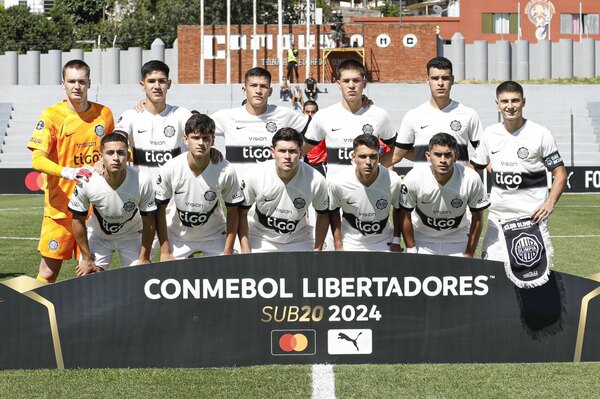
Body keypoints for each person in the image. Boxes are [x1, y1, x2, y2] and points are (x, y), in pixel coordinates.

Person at [27, 59, 115, 283]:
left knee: (93, 272)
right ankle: (37, 315)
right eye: (72, 81)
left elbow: (116, 150)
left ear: (89, 83)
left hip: (95, 210)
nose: (77, 86)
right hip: (60, 209)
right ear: (63, 83)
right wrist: (67, 172)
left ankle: (89, 318)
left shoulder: (104, 114)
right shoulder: (51, 116)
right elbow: (37, 159)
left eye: (82, 81)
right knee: (48, 273)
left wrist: (103, 163)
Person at [470, 81, 567, 269]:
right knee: (493, 275)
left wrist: (550, 202)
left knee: (532, 279)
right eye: (504, 101)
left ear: (524, 102)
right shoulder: (490, 134)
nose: (510, 106)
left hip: (531, 220)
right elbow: (474, 168)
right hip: (497, 219)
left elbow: (560, 173)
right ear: (497, 103)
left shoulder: (540, 134)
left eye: (515, 100)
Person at [155, 113, 244, 259]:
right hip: (179, 236)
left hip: (215, 235)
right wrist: (165, 251)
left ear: (213, 140)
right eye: (195, 138)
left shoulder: (225, 169)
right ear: (185, 139)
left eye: (206, 138)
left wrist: (228, 250)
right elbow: (159, 210)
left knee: (227, 277)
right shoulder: (171, 168)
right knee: (174, 278)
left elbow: (233, 211)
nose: (201, 143)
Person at [67, 132, 156, 276]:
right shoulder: (87, 181)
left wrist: (144, 257)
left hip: (132, 236)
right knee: (88, 276)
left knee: (141, 277)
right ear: (101, 157)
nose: (115, 158)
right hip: (99, 236)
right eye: (110, 153)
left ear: (128, 156)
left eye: (121, 153)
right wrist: (87, 258)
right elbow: (77, 220)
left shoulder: (142, 180)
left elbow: (149, 221)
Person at [211, 67, 310, 186]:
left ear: (270, 91)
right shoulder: (227, 116)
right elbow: (195, 130)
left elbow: (315, 129)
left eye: (263, 86)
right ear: (244, 89)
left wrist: (297, 154)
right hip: (237, 192)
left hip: (274, 189)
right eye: (253, 85)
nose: (258, 90)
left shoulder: (284, 114)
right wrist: (209, 152)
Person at [239, 128, 329, 253]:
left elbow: (323, 215)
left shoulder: (316, 179)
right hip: (260, 237)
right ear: (272, 152)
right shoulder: (255, 175)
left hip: (299, 239)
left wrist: (318, 249)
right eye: (282, 151)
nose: (287, 156)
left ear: (301, 152)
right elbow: (241, 213)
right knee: (248, 271)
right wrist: (245, 249)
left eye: (292, 151)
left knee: (314, 271)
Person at [399, 133, 489, 257]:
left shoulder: (471, 178)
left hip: (458, 238)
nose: (442, 160)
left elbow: (478, 217)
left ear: (456, 156)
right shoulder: (413, 177)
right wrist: (411, 248)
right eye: (437, 154)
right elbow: (404, 214)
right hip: (423, 239)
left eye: (448, 155)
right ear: (428, 156)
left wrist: (469, 253)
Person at [304, 59, 397, 177]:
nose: (351, 85)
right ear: (338, 84)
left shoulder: (379, 115)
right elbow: (300, 151)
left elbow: (397, 149)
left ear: (364, 83)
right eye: (346, 81)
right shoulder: (324, 116)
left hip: (369, 191)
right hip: (336, 193)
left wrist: (380, 169)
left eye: (356, 80)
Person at [391, 56, 483, 166]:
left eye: (445, 78)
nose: (440, 83)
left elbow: (484, 150)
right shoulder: (413, 115)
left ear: (452, 80)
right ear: (427, 80)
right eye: (435, 78)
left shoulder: (468, 114)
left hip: (459, 182)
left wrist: (470, 171)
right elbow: (398, 154)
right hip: (423, 183)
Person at [115, 60, 192, 183]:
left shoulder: (181, 114)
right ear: (142, 85)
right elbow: (116, 139)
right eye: (151, 81)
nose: (157, 86)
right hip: (142, 194)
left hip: (175, 196)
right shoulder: (130, 116)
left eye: (161, 81)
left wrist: (212, 151)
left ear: (169, 84)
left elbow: (201, 133)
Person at [329, 134, 402, 252]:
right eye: (362, 156)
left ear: (379, 157)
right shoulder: (338, 182)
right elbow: (333, 212)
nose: (368, 162)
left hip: (383, 242)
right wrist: (338, 245)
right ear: (353, 157)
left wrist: (396, 241)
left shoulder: (393, 180)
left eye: (373, 156)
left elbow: (399, 210)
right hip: (350, 243)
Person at [302, 100, 326, 177]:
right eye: (307, 112)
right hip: (304, 165)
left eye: (313, 112)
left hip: (320, 166)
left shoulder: (324, 127)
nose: (310, 115)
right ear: (303, 112)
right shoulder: (299, 129)